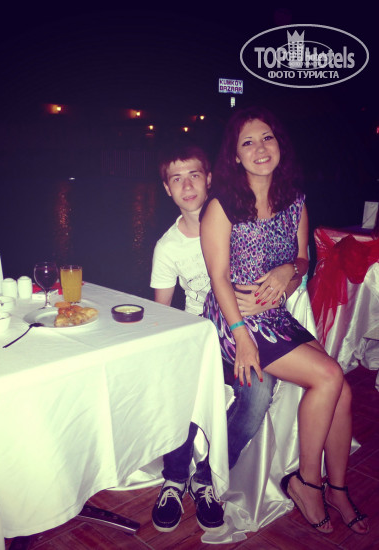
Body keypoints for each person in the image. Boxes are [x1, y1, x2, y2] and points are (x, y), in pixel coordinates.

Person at [200, 105, 368, 535]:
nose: (260, 148)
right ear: (235, 155)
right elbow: (218, 277)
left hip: (273, 314)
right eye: (248, 142)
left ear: (279, 145)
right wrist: (242, 337)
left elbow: (303, 260)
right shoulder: (222, 205)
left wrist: (286, 273)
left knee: (343, 390)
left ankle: (337, 487)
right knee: (329, 377)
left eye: (267, 138)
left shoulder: (294, 200)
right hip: (234, 318)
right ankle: (306, 483)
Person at [149, 142, 277, 534]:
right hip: (198, 335)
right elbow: (162, 314)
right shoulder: (167, 247)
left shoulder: (236, 220)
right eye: (176, 179)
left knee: (259, 392)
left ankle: (205, 477)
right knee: (180, 385)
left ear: (209, 179)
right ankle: (175, 479)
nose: (187, 186)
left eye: (194, 175)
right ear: (167, 189)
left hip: (241, 333)